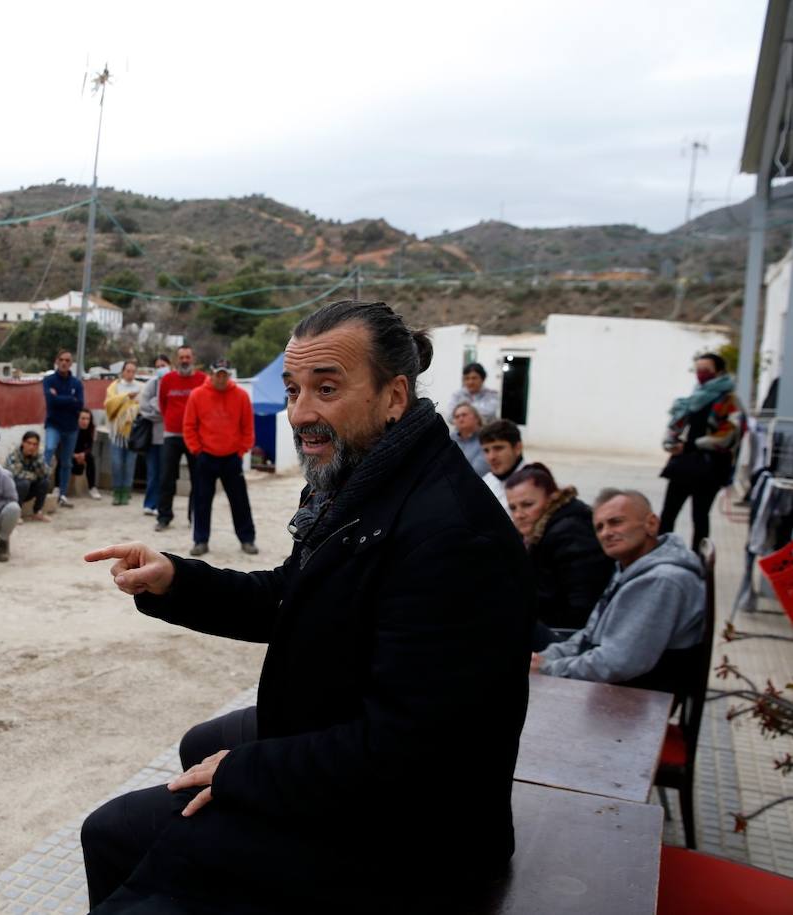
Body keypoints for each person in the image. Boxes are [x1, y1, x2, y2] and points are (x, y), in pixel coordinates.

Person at [81, 300, 531, 912]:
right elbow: (290, 595)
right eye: (293, 390)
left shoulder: (452, 536)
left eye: (326, 388)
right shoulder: (362, 484)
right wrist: (176, 581)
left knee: (123, 838)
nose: (299, 414)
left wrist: (243, 772)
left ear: (394, 396)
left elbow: (410, 753)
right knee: (154, 791)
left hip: (409, 838)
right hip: (349, 763)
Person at [534, 489, 706, 695]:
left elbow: (617, 663)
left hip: (637, 699)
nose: (606, 533)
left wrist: (547, 669)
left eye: (615, 522)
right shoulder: (630, 567)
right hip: (615, 686)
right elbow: (589, 635)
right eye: (599, 527)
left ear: (651, 524)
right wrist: (545, 658)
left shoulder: (662, 580)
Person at [505, 463, 614, 650]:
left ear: (552, 498)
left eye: (528, 505)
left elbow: (582, 605)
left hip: (572, 635)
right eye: (513, 508)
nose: (519, 514)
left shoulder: (569, 531)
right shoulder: (538, 532)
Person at [659, 352, 744, 548]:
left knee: (700, 516)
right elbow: (677, 425)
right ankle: (662, 554)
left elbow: (727, 436)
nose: (701, 374)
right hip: (684, 464)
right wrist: (670, 442)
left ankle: (698, 560)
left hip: (710, 468)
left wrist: (691, 445)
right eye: (698, 369)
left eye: (706, 369)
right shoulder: (694, 397)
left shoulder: (729, 401)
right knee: (668, 513)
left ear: (719, 371)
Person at [181, 359, 256, 556]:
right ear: (211, 374)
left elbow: (248, 426)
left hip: (232, 457)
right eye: (218, 374)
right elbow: (189, 426)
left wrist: (242, 450)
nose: (221, 378)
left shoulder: (241, 396)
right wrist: (197, 450)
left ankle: (247, 539)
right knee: (201, 501)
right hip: (205, 457)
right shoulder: (197, 395)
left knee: (240, 500)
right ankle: (200, 541)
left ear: (229, 375)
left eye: (225, 375)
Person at [155, 345, 208, 532]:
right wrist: (172, 421)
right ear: (177, 359)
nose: (185, 360)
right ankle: (164, 517)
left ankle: (195, 518)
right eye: (182, 357)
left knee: (198, 479)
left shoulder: (202, 379)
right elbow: (162, 403)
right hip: (171, 436)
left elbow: (207, 404)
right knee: (166, 478)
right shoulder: (167, 379)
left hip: (195, 437)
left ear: (193, 358)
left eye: (188, 357)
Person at [43, 349, 85, 507]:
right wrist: (70, 399)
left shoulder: (76, 383)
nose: (64, 363)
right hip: (53, 424)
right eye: (61, 360)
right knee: (48, 451)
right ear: (56, 361)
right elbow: (51, 401)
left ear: (71, 363)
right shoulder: (49, 380)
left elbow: (80, 404)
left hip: (71, 427)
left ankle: (62, 494)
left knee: (66, 462)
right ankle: (42, 489)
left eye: (67, 360)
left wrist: (59, 398)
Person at [104, 360, 144, 506]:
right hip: (117, 431)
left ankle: (126, 492)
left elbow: (142, 405)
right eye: (128, 371)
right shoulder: (114, 387)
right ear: (122, 372)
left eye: (133, 371)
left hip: (133, 432)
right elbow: (109, 404)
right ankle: (117, 491)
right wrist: (126, 397)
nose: (130, 374)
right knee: (116, 463)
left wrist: (132, 407)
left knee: (130, 463)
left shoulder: (141, 387)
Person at [136, 355, 171, 516]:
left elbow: (172, 407)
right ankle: (150, 503)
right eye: (157, 366)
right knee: (153, 472)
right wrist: (160, 410)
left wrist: (156, 405)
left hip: (169, 437)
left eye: (163, 365)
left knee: (166, 474)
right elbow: (144, 407)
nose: (160, 369)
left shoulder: (173, 383)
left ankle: (162, 505)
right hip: (152, 436)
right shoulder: (151, 384)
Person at [5, 430, 52, 521]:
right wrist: (35, 476)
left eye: (35, 444)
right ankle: (16, 513)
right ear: (23, 443)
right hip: (13, 491)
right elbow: (17, 474)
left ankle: (37, 512)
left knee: (45, 482)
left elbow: (45, 473)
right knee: (24, 483)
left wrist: (36, 459)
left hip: (29, 490)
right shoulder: (14, 454)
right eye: (29, 443)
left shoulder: (38, 455)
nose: (31, 447)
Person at [479, 418, 524, 511]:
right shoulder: (487, 481)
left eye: (498, 448)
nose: (491, 457)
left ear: (518, 448)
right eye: (486, 451)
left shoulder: (537, 483)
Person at [71, 408, 103, 500]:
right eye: (83, 418)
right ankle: (57, 487)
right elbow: (62, 446)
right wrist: (73, 455)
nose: (85, 421)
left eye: (88, 419)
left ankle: (92, 487)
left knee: (91, 458)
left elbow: (90, 446)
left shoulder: (91, 428)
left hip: (82, 454)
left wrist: (83, 454)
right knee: (62, 458)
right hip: (70, 453)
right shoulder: (71, 428)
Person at [450, 402, 490, 476]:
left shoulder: (487, 438)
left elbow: (479, 471)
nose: (460, 419)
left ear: (477, 418)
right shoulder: (450, 439)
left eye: (464, 415)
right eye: (457, 417)